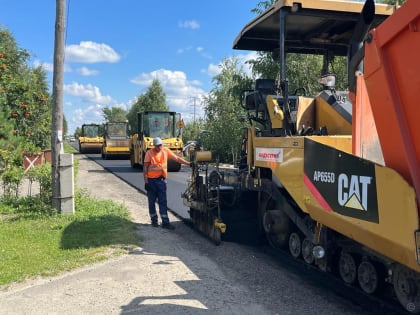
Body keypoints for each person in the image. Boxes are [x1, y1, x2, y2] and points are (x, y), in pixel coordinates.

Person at [143, 137, 191, 229]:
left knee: (163, 201)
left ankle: (165, 222)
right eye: (158, 146)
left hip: (161, 181)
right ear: (154, 146)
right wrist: (146, 181)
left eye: (161, 145)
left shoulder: (165, 151)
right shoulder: (149, 153)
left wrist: (188, 163)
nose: (160, 147)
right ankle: (154, 220)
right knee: (151, 202)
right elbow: (145, 167)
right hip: (151, 181)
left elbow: (177, 158)